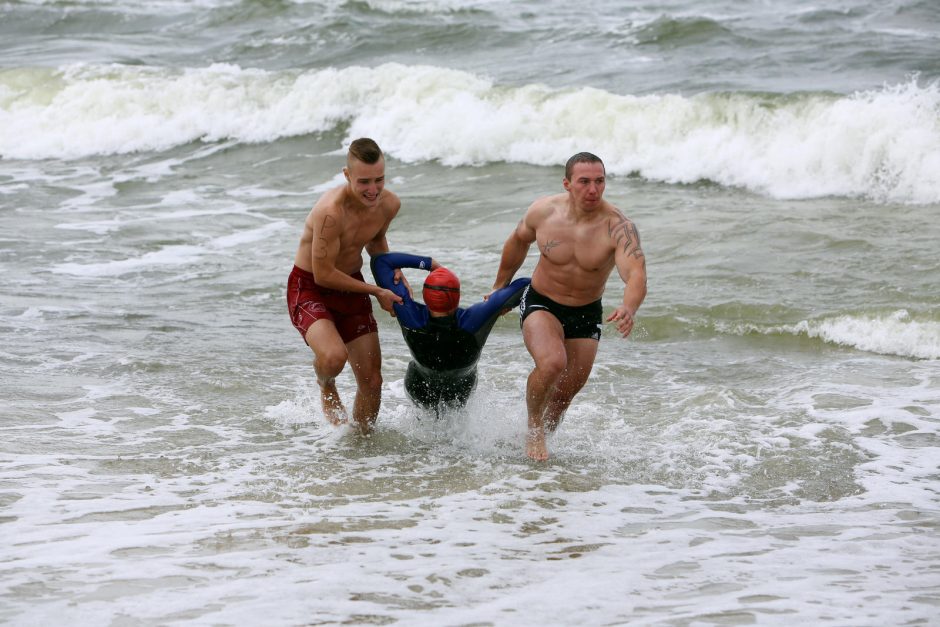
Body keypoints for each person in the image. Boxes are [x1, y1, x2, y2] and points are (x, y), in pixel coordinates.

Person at [489, 152, 647, 461]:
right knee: (552, 363)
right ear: (567, 184)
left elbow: (636, 273)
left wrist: (629, 306)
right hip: (541, 301)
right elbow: (518, 241)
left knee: (563, 396)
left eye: (599, 181)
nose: (593, 189)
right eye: (584, 182)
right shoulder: (544, 213)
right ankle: (534, 431)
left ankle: (539, 445)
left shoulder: (618, 227)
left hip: (586, 312)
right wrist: (500, 287)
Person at [286, 138, 405, 435]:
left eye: (379, 180)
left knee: (372, 381)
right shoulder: (330, 213)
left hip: (351, 287)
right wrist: (377, 292)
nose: (373, 190)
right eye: (364, 181)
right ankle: (325, 382)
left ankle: (361, 443)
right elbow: (324, 274)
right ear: (347, 175)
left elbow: (376, 242)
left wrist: (393, 278)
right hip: (310, 286)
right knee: (333, 358)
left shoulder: (388, 204)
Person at [371, 252, 530, 413]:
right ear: (457, 297)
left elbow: (381, 261)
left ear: (425, 296)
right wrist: (500, 296)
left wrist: (430, 264)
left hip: (418, 388)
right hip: (461, 391)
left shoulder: (410, 315)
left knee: (423, 435)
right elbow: (527, 285)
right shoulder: (474, 319)